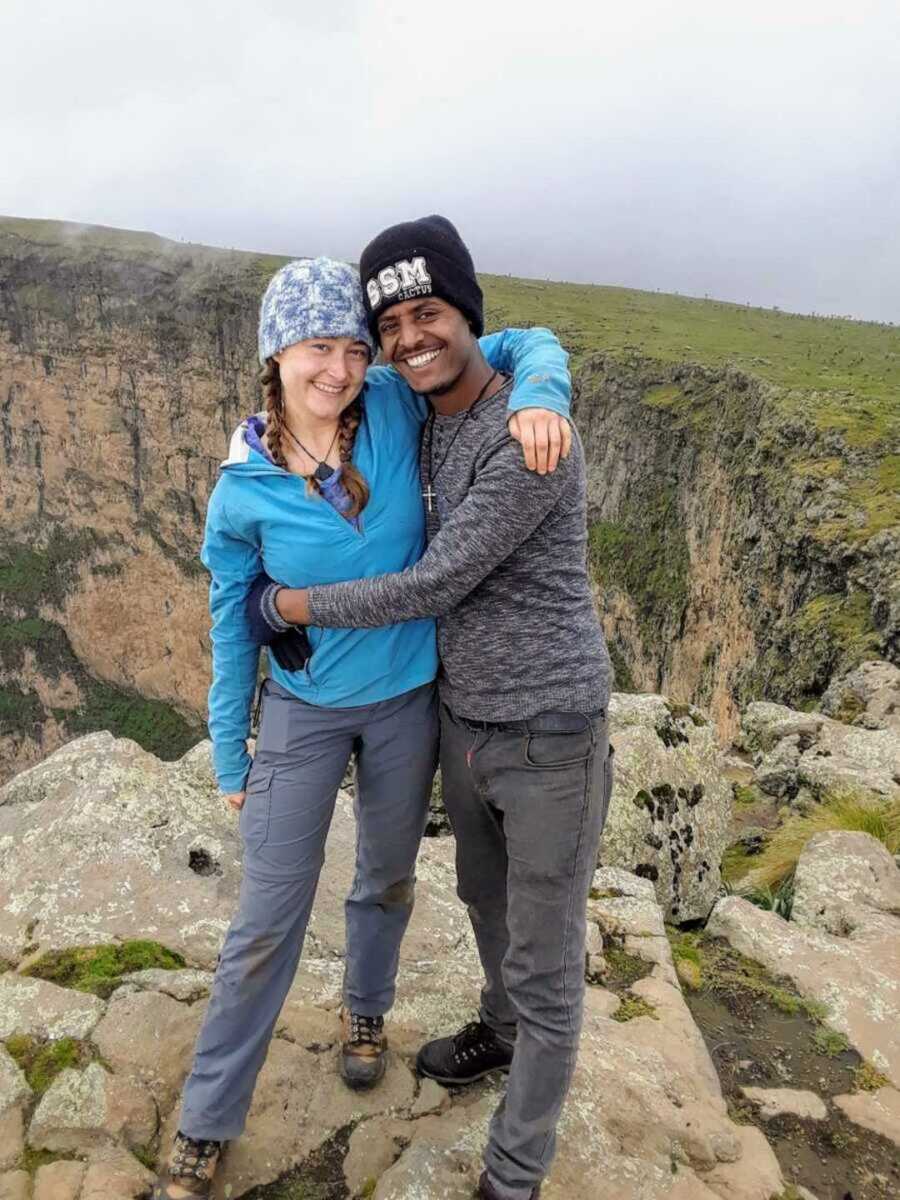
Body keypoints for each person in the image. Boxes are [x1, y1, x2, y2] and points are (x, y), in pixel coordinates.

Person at [152, 252, 572, 1200]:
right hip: (300, 714)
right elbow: (231, 622)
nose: (338, 368)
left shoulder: (392, 401)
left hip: (406, 704)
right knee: (267, 918)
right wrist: (231, 748)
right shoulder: (243, 485)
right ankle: (207, 1118)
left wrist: (542, 391)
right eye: (315, 348)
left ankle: (366, 1013)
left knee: (385, 878)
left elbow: (513, 341)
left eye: (351, 345)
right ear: (275, 355)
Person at [265, 216, 615, 1200]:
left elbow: (433, 582)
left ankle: (513, 1172)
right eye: (394, 322)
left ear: (465, 310)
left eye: (432, 314)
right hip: (465, 725)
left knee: (548, 965)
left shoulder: (526, 442)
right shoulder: (422, 408)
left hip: (549, 735)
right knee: (481, 900)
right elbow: (310, 391)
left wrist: (290, 607)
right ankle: (498, 1036)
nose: (413, 337)